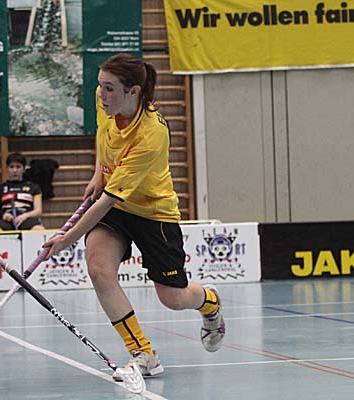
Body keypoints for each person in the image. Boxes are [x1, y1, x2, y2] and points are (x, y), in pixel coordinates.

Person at [43, 53, 225, 380]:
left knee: (173, 298)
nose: (101, 94)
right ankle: (144, 354)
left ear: (134, 91)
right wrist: (99, 171)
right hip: (117, 209)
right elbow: (104, 137)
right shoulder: (105, 103)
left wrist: (67, 238)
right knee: (99, 269)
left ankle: (209, 302)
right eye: (100, 86)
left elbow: (107, 201)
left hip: (153, 213)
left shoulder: (151, 134)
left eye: (110, 88)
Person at [0, 153, 45, 231]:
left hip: (27, 218)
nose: (15, 170)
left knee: (39, 229)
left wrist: (25, 216)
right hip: (6, 219)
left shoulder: (34, 187)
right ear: (7, 169)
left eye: (18, 167)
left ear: (24, 169)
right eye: (11, 167)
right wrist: (4, 215)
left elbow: (38, 211)